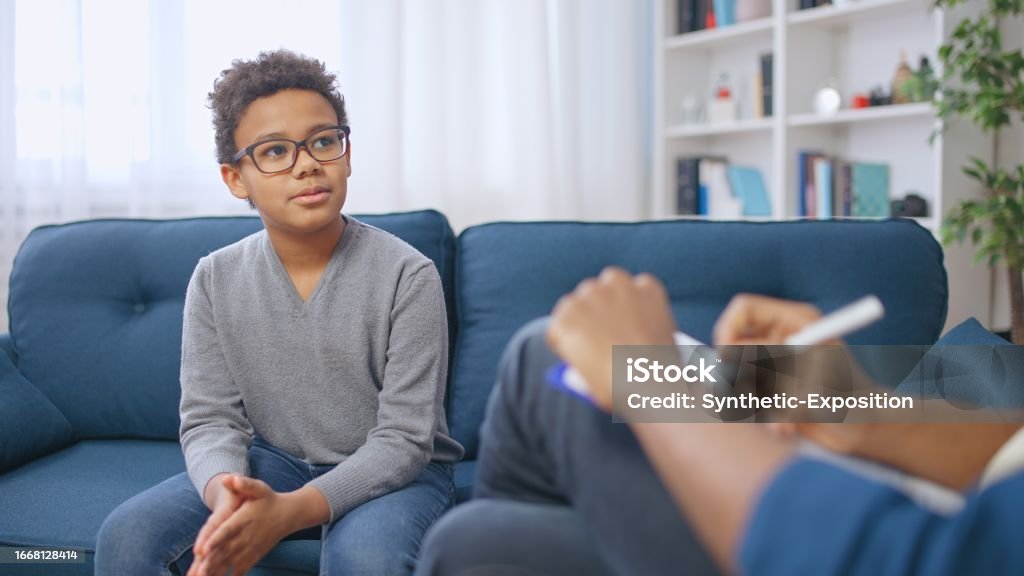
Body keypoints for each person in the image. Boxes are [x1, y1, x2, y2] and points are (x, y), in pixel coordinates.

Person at [95, 49, 463, 576]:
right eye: (274, 151)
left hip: (400, 473)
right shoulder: (215, 277)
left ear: (346, 152)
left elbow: (405, 441)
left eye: (322, 141)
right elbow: (209, 419)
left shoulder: (409, 274)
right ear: (235, 178)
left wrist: (290, 512)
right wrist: (226, 492)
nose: (307, 163)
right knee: (127, 536)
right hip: (276, 462)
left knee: (367, 558)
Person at [416, 267, 1024, 575]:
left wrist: (655, 380)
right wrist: (858, 405)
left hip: (853, 541)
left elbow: (886, 557)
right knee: (470, 541)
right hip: (919, 495)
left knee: (545, 354)